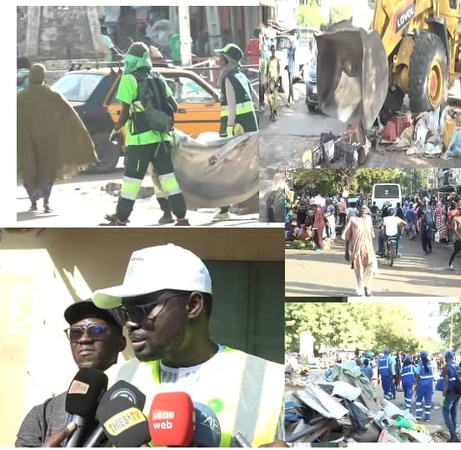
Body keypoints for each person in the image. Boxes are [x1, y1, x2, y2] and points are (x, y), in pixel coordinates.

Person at [91, 244, 286, 446]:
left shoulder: (270, 380)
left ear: (193, 305)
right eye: (125, 313)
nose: (130, 323)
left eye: (142, 309)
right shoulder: (123, 379)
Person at [15, 301, 126, 447]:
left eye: (96, 330)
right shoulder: (42, 414)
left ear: (120, 343)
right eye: (75, 332)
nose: (84, 339)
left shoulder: (135, 402)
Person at [102, 43, 187, 226]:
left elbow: (124, 113)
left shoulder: (128, 79)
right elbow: (174, 106)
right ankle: (181, 217)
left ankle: (121, 219)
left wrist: (116, 130)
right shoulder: (158, 77)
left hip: (140, 141)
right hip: (162, 139)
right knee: (168, 178)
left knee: (131, 181)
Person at [17, 63, 97, 215]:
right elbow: (69, 115)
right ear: (43, 76)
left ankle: (33, 203)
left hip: (26, 142)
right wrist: (82, 137)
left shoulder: (20, 96)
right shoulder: (53, 94)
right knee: (47, 171)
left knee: (29, 170)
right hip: (48, 141)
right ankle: (46, 203)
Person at [214, 43, 259, 222]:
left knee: (228, 169)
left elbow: (231, 106)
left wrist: (229, 130)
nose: (218, 60)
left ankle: (226, 209)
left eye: (221, 58)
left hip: (235, 130)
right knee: (248, 166)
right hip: (249, 129)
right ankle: (247, 203)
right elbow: (256, 101)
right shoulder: (242, 76)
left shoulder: (228, 78)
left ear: (228, 60)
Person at [343, 204, 378, 297]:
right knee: (358, 271)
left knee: (371, 268)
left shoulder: (369, 219)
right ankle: (360, 291)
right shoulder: (353, 220)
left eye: (365, 209)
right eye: (361, 208)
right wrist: (346, 251)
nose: (363, 210)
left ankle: (366, 285)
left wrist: (372, 248)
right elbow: (348, 236)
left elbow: (371, 234)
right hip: (356, 248)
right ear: (358, 209)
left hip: (368, 247)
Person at [440, 351, 461, 442]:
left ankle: (454, 436)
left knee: (445, 412)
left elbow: (446, 383)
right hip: (458, 392)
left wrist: (443, 396)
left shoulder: (446, 368)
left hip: (450, 393)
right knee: (453, 412)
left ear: (446, 358)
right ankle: (454, 434)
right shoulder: (457, 366)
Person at [414, 351, 435, 422]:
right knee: (428, 401)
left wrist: (415, 384)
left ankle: (418, 416)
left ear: (420, 357)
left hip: (421, 385)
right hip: (429, 385)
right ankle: (427, 417)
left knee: (418, 400)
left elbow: (417, 375)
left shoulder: (419, 365)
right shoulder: (430, 364)